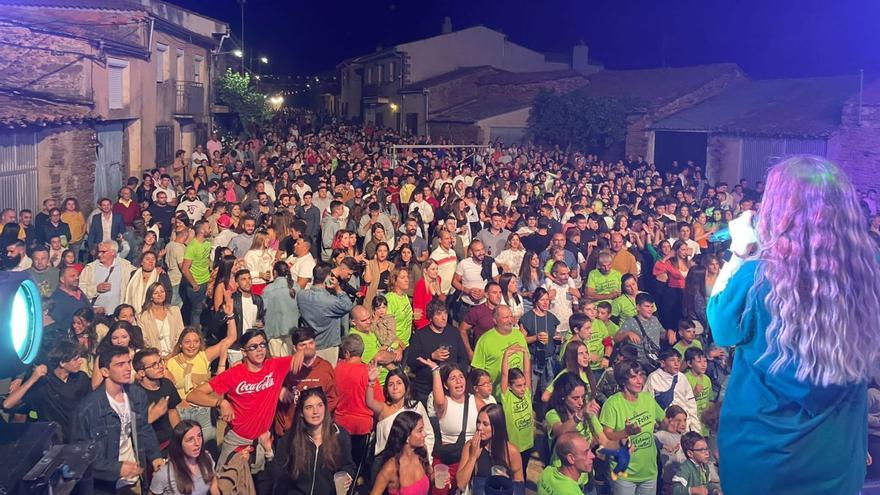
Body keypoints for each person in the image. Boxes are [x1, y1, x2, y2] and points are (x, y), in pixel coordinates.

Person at [706, 156, 880, 495]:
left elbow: (721, 326)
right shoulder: (868, 275)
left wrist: (740, 251)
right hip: (835, 456)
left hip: (761, 454)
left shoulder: (758, 278)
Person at [71, 345, 163, 494]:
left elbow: (143, 428)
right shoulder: (87, 409)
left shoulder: (137, 395)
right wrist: (116, 468)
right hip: (104, 486)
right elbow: (80, 458)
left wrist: (155, 455)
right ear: (105, 371)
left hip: (134, 478)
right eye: (120, 365)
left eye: (128, 362)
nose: (127, 368)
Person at [269, 388, 356, 495]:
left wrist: (347, 475)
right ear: (301, 413)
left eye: (320, 405)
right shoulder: (291, 437)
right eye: (309, 407)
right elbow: (277, 472)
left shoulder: (340, 435)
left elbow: (348, 465)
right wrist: (269, 452)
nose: (316, 411)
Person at [2, 339, 91, 442]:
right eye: (76, 359)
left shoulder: (81, 378)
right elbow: (7, 404)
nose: (81, 361)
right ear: (62, 363)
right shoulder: (44, 384)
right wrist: (32, 379)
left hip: (78, 437)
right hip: (54, 440)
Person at [599, 360, 665, 495]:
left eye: (640, 376)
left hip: (649, 471)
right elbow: (606, 436)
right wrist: (626, 432)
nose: (639, 381)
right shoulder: (612, 404)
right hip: (625, 473)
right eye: (633, 377)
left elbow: (664, 422)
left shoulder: (648, 399)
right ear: (623, 381)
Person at [274, 327, 338, 437]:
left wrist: (320, 418)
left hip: (317, 430)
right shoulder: (286, 367)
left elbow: (333, 398)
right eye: (303, 345)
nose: (308, 348)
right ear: (295, 348)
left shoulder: (325, 367)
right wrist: (279, 389)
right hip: (292, 430)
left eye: (311, 343)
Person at [335, 334, 384, 476]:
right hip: (362, 427)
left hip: (340, 424)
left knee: (341, 467)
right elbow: (378, 402)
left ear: (347, 353)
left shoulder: (338, 368)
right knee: (356, 468)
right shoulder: (368, 373)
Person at [366, 367, 435, 468]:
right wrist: (371, 382)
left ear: (406, 386)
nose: (395, 387)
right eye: (391, 384)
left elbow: (428, 434)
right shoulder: (383, 408)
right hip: (385, 462)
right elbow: (370, 402)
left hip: (412, 460)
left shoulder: (416, 406)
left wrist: (426, 459)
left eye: (399, 383)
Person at [406, 299, 469, 403]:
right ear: (430, 317)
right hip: (426, 389)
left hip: (450, 389)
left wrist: (457, 377)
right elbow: (411, 360)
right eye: (439, 314)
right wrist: (431, 356)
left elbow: (463, 358)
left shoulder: (453, 332)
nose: (444, 317)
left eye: (445, 313)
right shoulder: (420, 335)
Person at [456, 404, 525, 494]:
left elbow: (519, 486)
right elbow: (461, 484)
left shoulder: (511, 451)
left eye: (485, 424)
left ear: (497, 426)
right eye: (478, 422)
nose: (479, 427)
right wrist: (473, 457)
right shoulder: (470, 445)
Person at [296, 264, 354, 366]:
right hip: (328, 346)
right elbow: (348, 306)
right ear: (328, 278)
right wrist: (338, 288)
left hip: (311, 344)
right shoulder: (330, 301)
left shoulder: (301, 295)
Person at [470, 305, 528, 398]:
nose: (510, 321)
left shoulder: (519, 335)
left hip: (518, 394)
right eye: (505, 317)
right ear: (495, 320)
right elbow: (477, 371)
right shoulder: (485, 340)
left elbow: (526, 364)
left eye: (511, 317)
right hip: (497, 396)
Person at [370, 411, 433, 495]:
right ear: (407, 437)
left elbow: (431, 475)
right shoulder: (391, 468)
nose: (425, 434)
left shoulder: (421, 452)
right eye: (420, 430)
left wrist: (440, 479)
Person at [149, 420, 217, 495]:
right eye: (190, 439)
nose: (197, 443)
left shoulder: (207, 457)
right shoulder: (164, 473)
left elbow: (213, 484)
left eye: (199, 436)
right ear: (179, 444)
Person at [133, 348, 182, 452]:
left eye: (160, 361)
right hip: (149, 447)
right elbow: (133, 431)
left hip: (170, 441)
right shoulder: (134, 394)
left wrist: (180, 436)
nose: (160, 366)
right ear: (142, 372)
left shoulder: (167, 384)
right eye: (154, 365)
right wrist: (151, 417)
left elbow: (172, 411)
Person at [645, 349, 700, 433]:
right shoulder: (653, 378)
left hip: (684, 426)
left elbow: (691, 404)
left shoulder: (682, 378)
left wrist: (696, 429)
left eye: (678, 360)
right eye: (672, 360)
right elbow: (647, 404)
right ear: (663, 363)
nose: (676, 364)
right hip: (664, 428)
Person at [79, 241, 135, 315]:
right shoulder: (90, 268)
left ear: (113, 252)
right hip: (97, 314)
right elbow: (80, 289)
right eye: (99, 252)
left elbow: (140, 276)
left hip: (117, 316)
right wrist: (96, 289)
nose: (99, 254)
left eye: (103, 252)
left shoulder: (126, 267)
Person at [262, 261, 300, 356]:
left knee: (276, 363)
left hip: (274, 330)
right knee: (289, 361)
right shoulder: (296, 287)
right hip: (292, 329)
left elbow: (263, 310)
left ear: (274, 273)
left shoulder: (268, 290)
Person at [137, 281, 185, 357]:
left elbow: (181, 334)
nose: (160, 295)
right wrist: (158, 355)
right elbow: (145, 340)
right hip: (154, 356)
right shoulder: (142, 316)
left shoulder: (174, 310)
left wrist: (173, 353)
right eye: (156, 293)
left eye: (162, 292)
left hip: (175, 354)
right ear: (150, 297)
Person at [181, 220, 212, 327]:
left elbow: (207, 259)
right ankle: (195, 333)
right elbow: (185, 269)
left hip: (205, 281)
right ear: (202, 231)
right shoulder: (192, 247)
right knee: (196, 310)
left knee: (203, 308)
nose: (211, 229)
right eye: (208, 228)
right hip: (196, 284)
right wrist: (194, 284)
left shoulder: (207, 243)